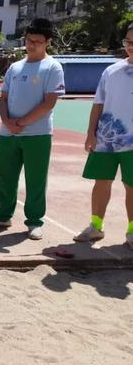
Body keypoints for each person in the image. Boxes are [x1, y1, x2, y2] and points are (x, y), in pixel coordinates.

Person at [0, 18, 65, 240]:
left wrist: (22, 123)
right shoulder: (15, 67)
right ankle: (3, 215)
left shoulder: (52, 67)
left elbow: (49, 103)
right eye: (29, 40)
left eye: (37, 41)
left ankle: (35, 221)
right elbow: (3, 99)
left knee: (35, 179)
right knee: (6, 177)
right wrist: (8, 122)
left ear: (47, 42)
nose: (31, 45)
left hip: (37, 134)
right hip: (7, 133)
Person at [73, 24, 133, 247]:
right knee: (101, 183)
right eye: (128, 42)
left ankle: (132, 231)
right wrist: (91, 133)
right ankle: (96, 227)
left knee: (132, 187)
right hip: (106, 140)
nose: (130, 47)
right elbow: (98, 104)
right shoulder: (111, 71)